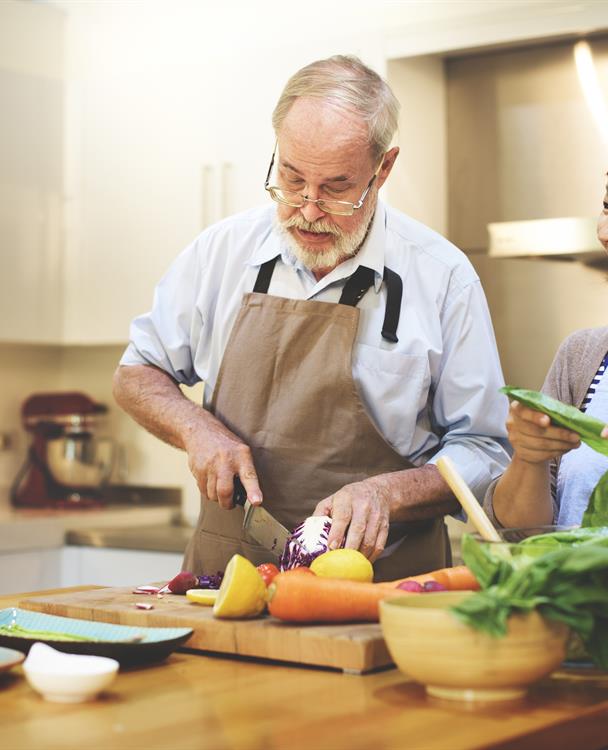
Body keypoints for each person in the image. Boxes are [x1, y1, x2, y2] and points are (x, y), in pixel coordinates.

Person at [113, 55, 510, 581]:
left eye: (336, 188)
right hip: (228, 579)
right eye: (292, 178)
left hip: (384, 589)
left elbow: (485, 448)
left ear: (383, 169)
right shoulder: (220, 253)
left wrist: (389, 492)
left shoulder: (442, 278)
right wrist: (197, 431)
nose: (308, 208)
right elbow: (137, 374)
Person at [485, 175, 608, 530]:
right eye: (606, 205)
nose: (603, 232)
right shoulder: (582, 356)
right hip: (575, 586)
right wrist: (529, 457)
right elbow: (522, 529)